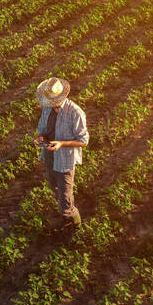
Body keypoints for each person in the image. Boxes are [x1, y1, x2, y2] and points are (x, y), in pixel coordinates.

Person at [33, 77, 88, 231]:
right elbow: (42, 128)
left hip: (65, 161)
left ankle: (75, 224)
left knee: (65, 198)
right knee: (53, 187)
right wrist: (40, 139)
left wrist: (61, 144)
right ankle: (66, 216)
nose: (49, 104)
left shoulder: (75, 112)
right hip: (50, 156)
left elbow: (83, 141)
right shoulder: (47, 108)